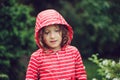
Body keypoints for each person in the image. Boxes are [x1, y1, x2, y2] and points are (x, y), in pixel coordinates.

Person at [25, 9, 87, 80]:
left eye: (56, 31)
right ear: (41, 35)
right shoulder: (36, 58)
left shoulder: (73, 52)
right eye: (47, 32)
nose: (52, 36)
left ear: (63, 31)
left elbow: (81, 76)